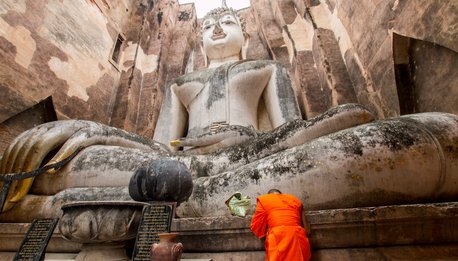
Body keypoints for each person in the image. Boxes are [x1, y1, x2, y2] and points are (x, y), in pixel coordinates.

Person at [251, 189, 311, 261]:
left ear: (269, 195)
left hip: (277, 238)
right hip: (298, 238)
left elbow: (257, 227)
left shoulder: (264, 200)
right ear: (281, 194)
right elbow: (308, 231)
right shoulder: (295, 200)